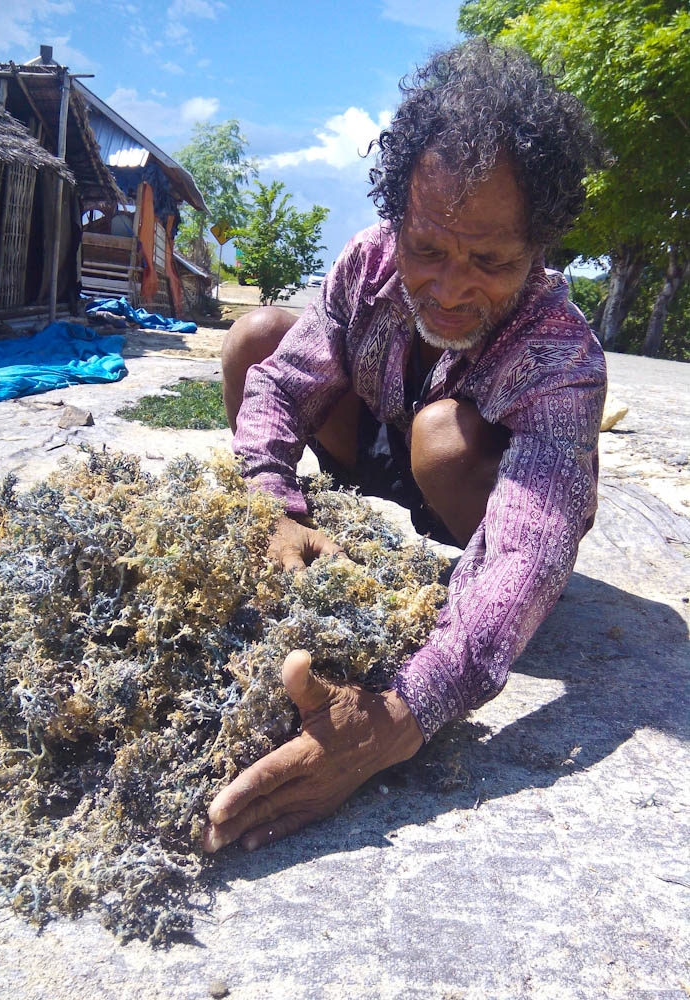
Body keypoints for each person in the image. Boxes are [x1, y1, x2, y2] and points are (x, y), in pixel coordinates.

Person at [203, 40, 607, 853]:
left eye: (491, 261)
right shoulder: (368, 263)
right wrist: (269, 499)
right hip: (376, 456)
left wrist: (396, 716)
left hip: (471, 497)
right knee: (257, 340)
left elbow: (530, 549)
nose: (452, 288)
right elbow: (282, 385)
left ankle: (452, 574)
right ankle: (315, 526)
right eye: (430, 249)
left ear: (540, 248)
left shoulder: (564, 357)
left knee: (444, 439)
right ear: (400, 217)